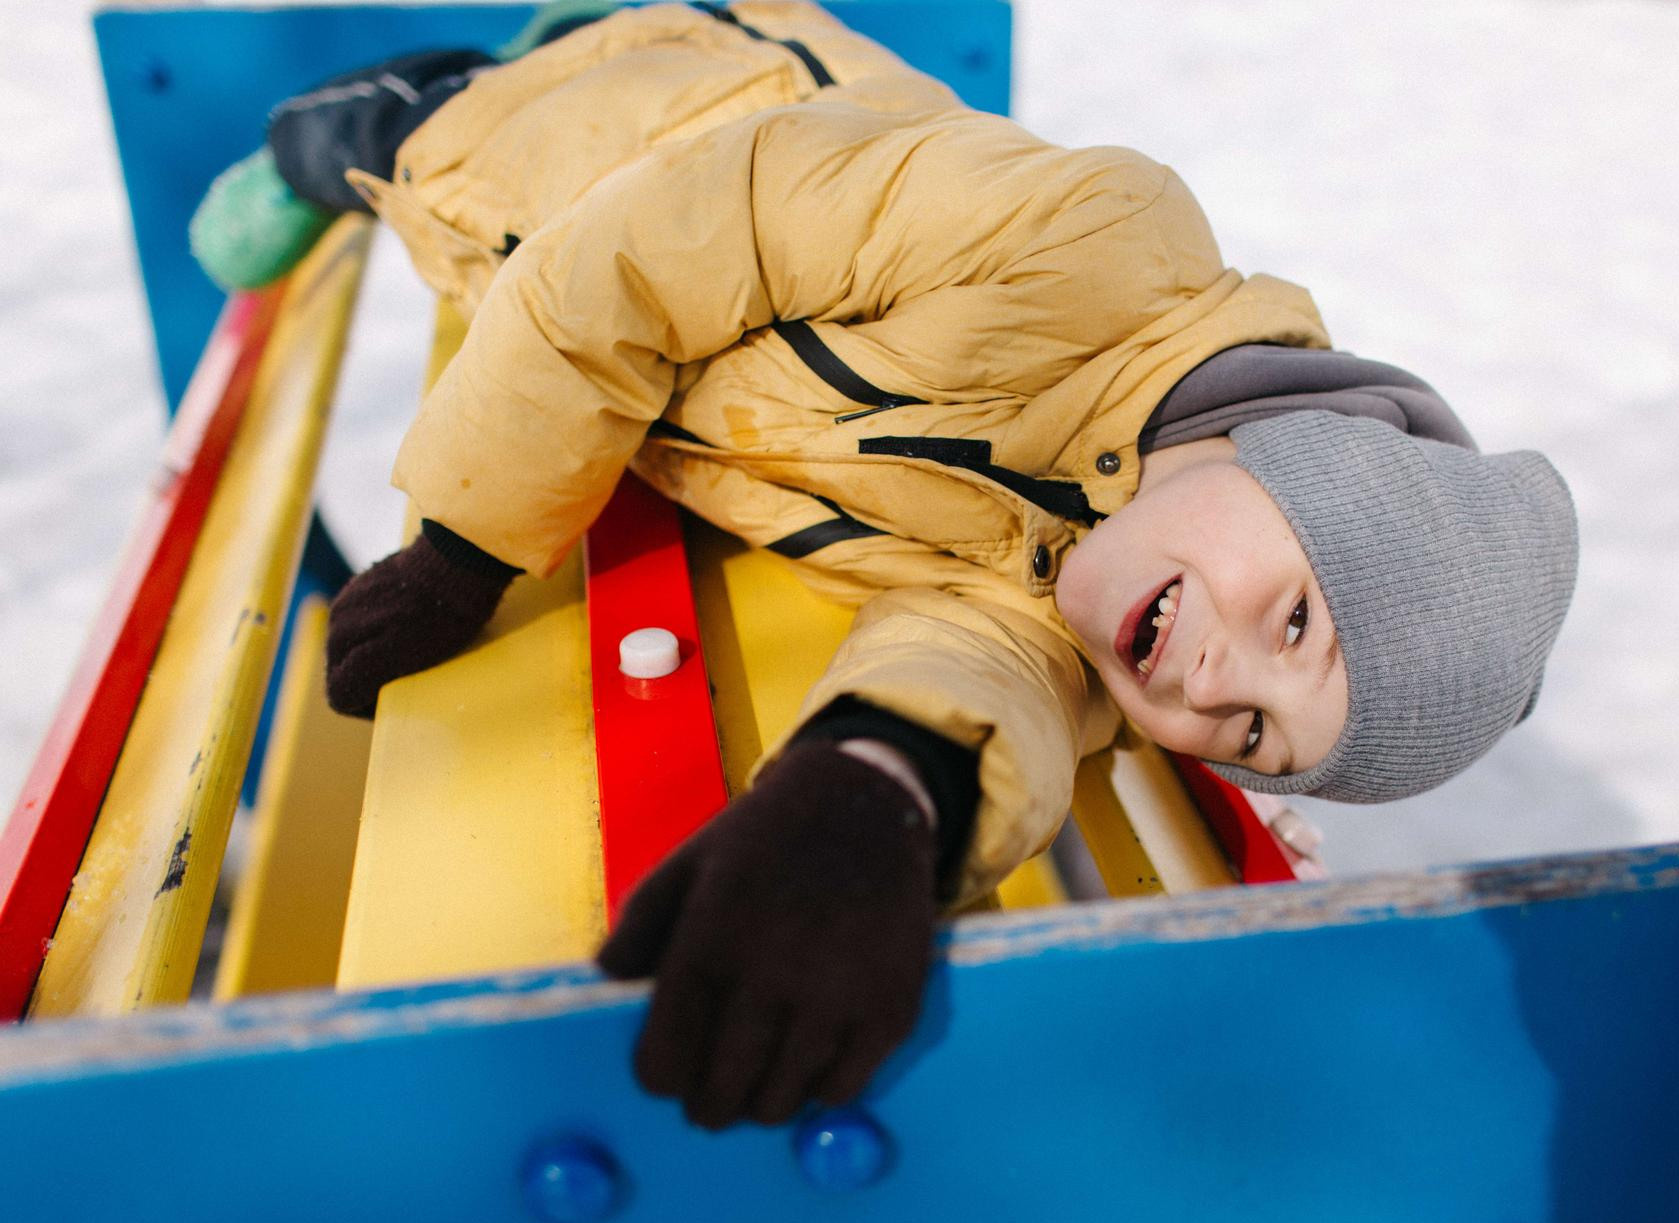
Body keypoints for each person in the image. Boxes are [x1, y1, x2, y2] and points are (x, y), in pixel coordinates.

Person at [241, 1, 1578, 1131]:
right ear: (1292, 457)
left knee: (455, 222)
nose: (1226, 685)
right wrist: (468, 546)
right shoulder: (1094, 243)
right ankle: (394, 102)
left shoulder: (1100, 579)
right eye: (1297, 621)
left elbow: (990, 670)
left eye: (1253, 737)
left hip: (602, 351)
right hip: (639, 117)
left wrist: (873, 794)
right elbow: (651, 251)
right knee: (397, 150)